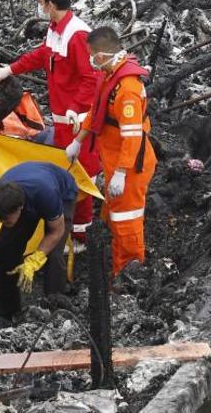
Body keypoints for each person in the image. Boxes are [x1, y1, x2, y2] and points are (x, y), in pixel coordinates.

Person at [0, 0, 101, 250]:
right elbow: (42, 56)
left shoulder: (78, 35)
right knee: (67, 172)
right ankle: (67, 227)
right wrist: (11, 69)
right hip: (64, 121)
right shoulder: (55, 30)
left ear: (51, 4)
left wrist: (76, 107)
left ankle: (79, 238)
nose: (39, 8)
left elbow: (91, 78)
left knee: (82, 175)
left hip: (79, 123)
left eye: (40, 3)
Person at [66, 27, 156, 276]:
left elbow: (132, 136)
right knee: (112, 215)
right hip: (114, 159)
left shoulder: (127, 89)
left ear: (103, 55)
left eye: (91, 55)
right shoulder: (109, 77)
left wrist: (122, 173)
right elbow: (97, 112)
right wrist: (78, 141)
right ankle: (113, 258)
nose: (89, 60)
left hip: (130, 166)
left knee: (126, 220)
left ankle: (128, 273)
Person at [0, 162, 76, 325]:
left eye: (6, 219)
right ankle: (7, 312)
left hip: (62, 191)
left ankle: (56, 311)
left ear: (20, 209)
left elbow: (56, 231)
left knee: (53, 255)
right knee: (5, 252)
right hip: (26, 193)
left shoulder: (46, 194)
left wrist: (35, 259)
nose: (2, 222)